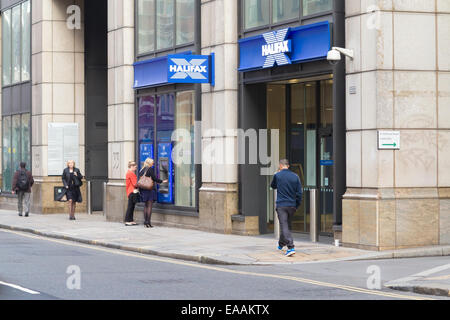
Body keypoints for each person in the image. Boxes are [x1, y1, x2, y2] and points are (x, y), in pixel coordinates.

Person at [270, 159, 303, 257]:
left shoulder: (277, 175)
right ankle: (281, 243)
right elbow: (299, 193)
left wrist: (276, 175)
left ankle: (290, 247)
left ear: (280, 165)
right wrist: (296, 205)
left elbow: (272, 186)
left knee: (284, 225)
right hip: (292, 205)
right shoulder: (295, 176)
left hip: (281, 205)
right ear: (288, 166)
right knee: (287, 225)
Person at [139, 158, 167, 228]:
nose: (153, 164)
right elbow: (154, 178)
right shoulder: (150, 169)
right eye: (152, 163)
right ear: (149, 163)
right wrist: (162, 181)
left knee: (145, 206)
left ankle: (145, 222)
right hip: (149, 189)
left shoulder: (141, 170)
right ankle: (148, 222)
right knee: (149, 206)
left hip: (143, 189)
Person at [125, 161, 139, 226]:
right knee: (130, 207)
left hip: (130, 191)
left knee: (131, 206)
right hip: (132, 191)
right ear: (132, 166)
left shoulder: (129, 173)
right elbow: (135, 184)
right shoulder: (131, 173)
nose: (136, 168)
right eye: (135, 167)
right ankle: (128, 220)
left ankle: (131, 220)